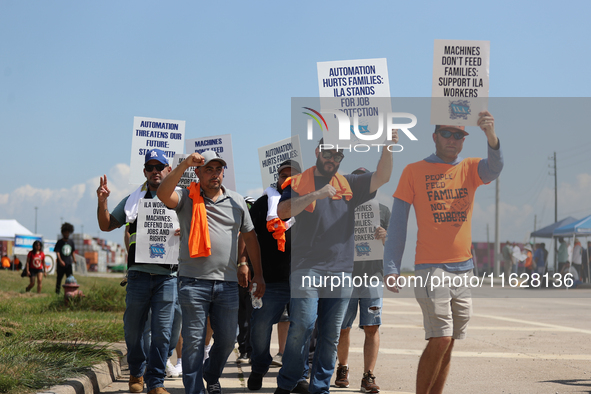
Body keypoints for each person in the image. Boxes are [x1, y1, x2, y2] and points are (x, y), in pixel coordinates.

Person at [384, 111, 503, 394]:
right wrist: (391, 267)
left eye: (459, 135)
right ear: (434, 136)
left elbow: (495, 168)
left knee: (449, 341)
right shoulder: (413, 171)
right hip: (430, 268)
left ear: (464, 140)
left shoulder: (472, 168)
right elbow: (398, 223)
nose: (453, 140)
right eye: (447, 134)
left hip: (464, 268)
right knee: (441, 338)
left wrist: (490, 135)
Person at [274, 133, 397, 394]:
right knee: (303, 326)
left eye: (338, 155)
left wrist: (387, 148)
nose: (332, 159)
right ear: (318, 151)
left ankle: (320, 388)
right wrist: (315, 194)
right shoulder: (297, 181)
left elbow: (382, 177)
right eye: (328, 153)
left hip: (341, 271)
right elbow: (282, 212)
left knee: (330, 334)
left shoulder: (350, 184)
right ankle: (288, 383)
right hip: (306, 267)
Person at [157, 150, 265, 394]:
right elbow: (163, 193)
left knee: (227, 339)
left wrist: (257, 273)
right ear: (198, 173)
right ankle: (194, 390)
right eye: (209, 169)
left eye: (218, 169)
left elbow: (249, 237)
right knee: (194, 343)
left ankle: (211, 373)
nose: (215, 174)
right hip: (193, 283)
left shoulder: (237, 201)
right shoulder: (187, 197)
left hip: (227, 284)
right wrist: (184, 163)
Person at [97, 148, 178, 394]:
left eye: (159, 167)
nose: (155, 171)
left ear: (168, 170)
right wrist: (102, 202)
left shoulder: (179, 198)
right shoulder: (133, 200)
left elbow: (196, 226)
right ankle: (136, 372)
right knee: (133, 329)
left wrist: (185, 230)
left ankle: (155, 383)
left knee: (162, 333)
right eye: (150, 167)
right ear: (144, 171)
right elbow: (106, 225)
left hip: (167, 277)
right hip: (138, 276)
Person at [246, 160, 308, 391]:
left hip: (302, 280)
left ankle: (298, 375)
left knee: (301, 329)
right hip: (269, 279)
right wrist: (246, 265)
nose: (288, 180)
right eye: (284, 176)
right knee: (260, 328)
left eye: (293, 176)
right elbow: (248, 236)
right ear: (277, 178)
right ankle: (260, 365)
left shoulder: (310, 203)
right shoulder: (264, 203)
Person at [335, 167, 390, 393]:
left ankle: (368, 375)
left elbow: (394, 244)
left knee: (372, 326)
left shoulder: (384, 211)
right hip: (346, 275)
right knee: (343, 327)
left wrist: (386, 236)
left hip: (372, 276)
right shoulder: (339, 209)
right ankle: (343, 368)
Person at [55, 222, 76, 294]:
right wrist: (60, 261)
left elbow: (73, 251)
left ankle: (70, 292)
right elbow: (57, 252)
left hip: (68, 264)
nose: (66, 234)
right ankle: (57, 292)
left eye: (68, 233)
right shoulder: (59, 242)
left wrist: (74, 259)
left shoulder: (71, 242)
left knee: (70, 279)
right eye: (65, 232)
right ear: (62, 233)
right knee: (59, 279)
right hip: (61, 264)